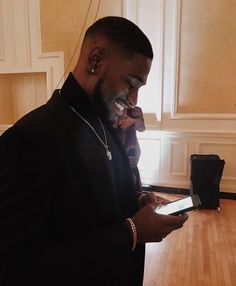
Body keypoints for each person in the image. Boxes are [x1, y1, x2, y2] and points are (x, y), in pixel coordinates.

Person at [0, 16, 188, 285]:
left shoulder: (104, 125)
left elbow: (89, 203)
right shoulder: (29, 138)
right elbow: (16, 265)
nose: (133, 99)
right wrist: (132, 231)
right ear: (96, 60)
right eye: (130, 84)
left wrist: (138, 201)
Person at [113, 102, 145, 190]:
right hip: (115, 148)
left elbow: (142, 128)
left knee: (132, 173)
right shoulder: (112, 107)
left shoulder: (137, 110)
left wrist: (133, 121)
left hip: (132, 150)